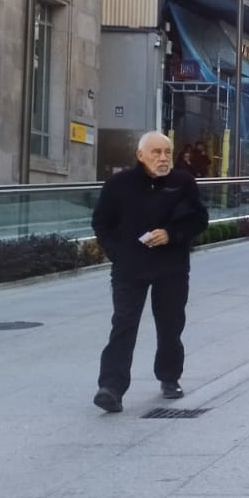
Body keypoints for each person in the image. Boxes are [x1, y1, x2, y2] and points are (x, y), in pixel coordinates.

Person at [90, 132, 209, 412]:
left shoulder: (183, 183)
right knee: (124, 324)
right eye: (156, 152)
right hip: (130, 268)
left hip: (171, 266)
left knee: (170, 324)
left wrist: (171, 234)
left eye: (167, 152)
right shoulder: (119, 184)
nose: (163, 158)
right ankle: (111, 388)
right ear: (140, 155)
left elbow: (199, 219)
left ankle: (169, 377)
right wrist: (118, 254)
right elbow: (101, 223)